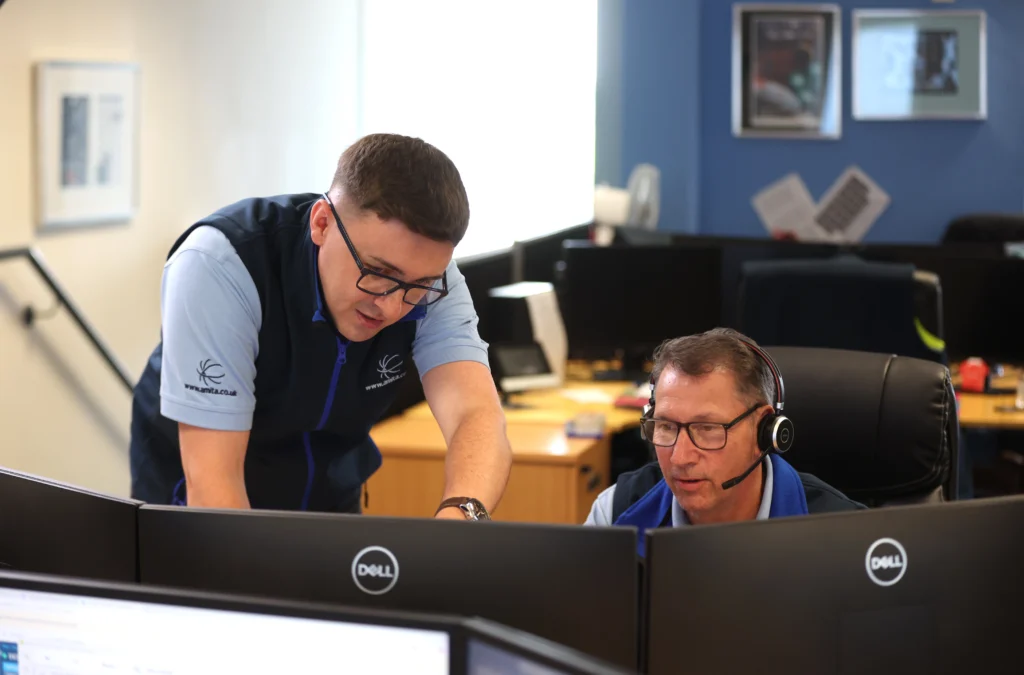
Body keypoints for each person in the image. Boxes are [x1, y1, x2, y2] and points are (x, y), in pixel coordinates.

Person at [130, 133, 511, 520]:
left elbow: (475, 414)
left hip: (330, 500)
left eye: (419, 285)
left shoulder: (431, 280)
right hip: (199, 508)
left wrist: (461, 516)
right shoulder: (220, 265)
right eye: (378, 272)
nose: (392, 306)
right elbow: (214, 487)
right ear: (322, 223)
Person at [585, 328, 862, 545]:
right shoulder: (615, 516)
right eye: (667, 426)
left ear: (763, 431)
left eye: (707, 429)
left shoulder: (846, 535)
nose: (680, 458)